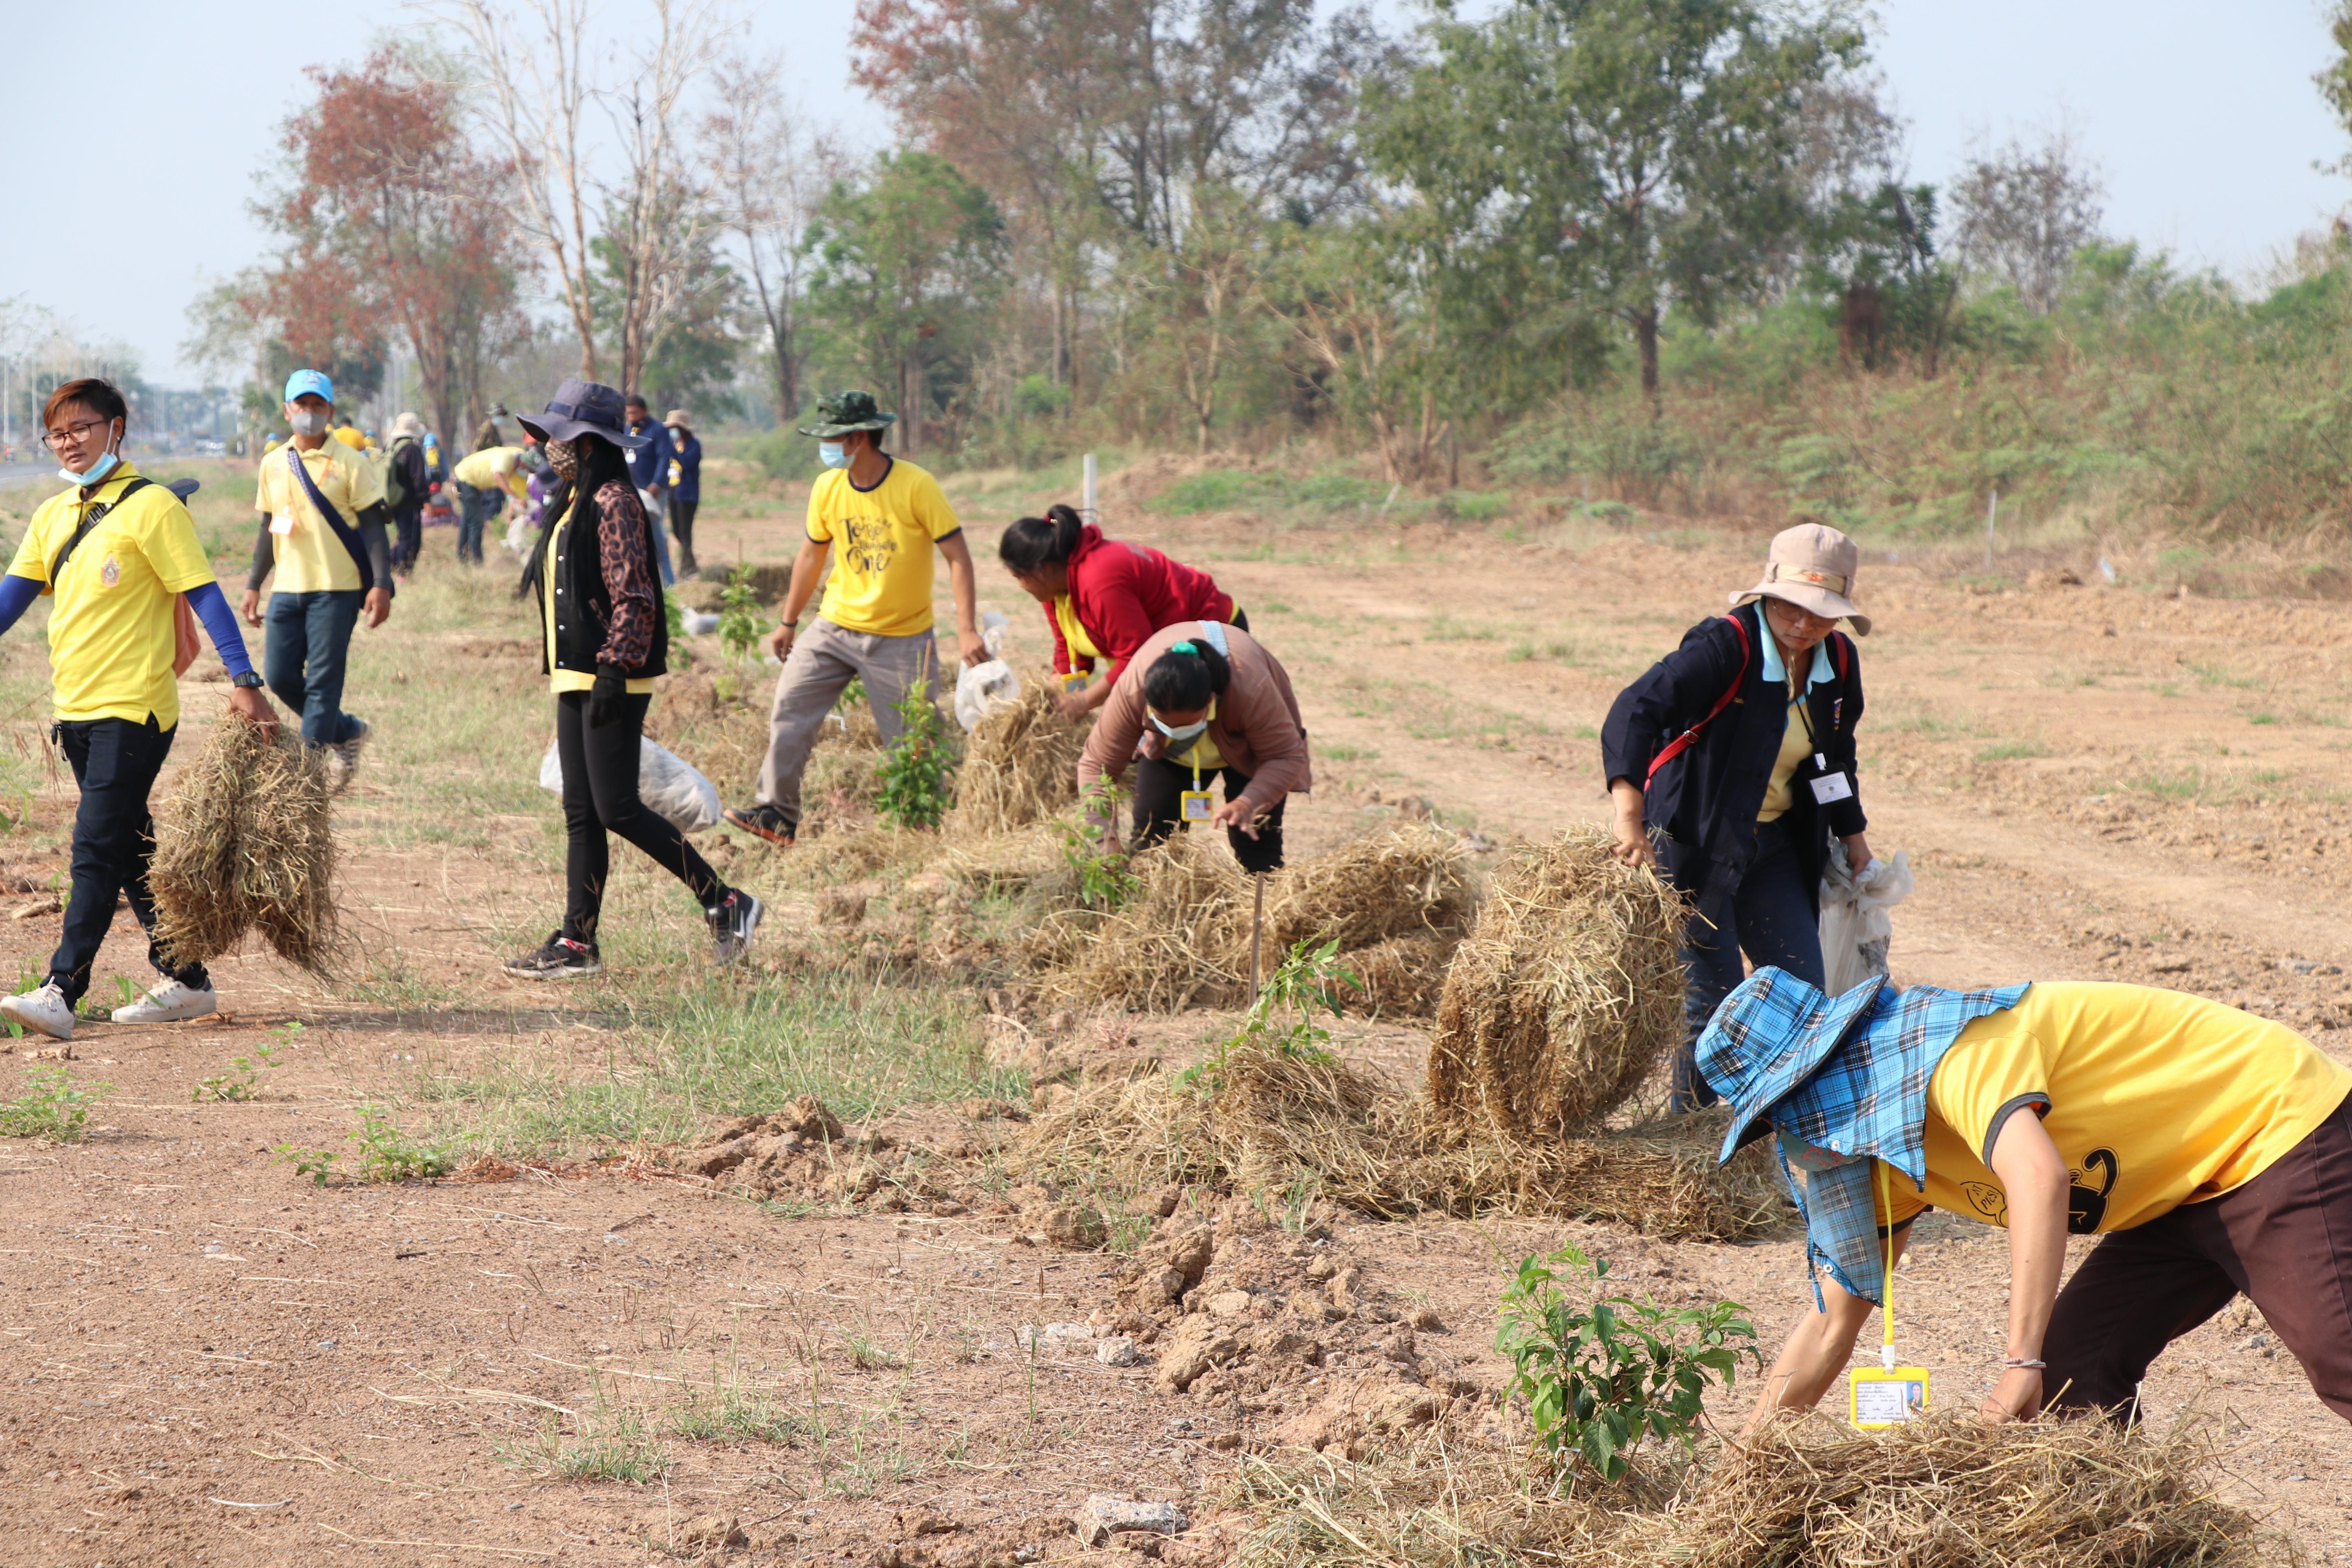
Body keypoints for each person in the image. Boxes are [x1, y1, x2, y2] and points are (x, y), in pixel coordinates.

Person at [1703, 968, 2352, 1429]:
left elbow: (2040, 1178)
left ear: (1834, 1067)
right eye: (1777, 1121)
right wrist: (1744, 1482)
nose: (1795, 1135)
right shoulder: (1879, 1160)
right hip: (2174, 1189)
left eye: (1796, 1107)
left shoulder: (1953, 1051)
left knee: (2339, 1355)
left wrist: (2019, 1361)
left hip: (2270, 1127)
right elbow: (1828, 1327)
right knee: (2077, 1372)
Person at [0, 378, 285, 1039]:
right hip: (74, 710)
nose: (69, 443)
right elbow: (11, 600)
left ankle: (62, 989)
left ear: (116, 429)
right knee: (129, 846)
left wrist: (244, 679)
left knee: (93, 847)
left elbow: (206, 596)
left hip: (136, 709)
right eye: (58, 433)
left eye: (82, 428)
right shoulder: (53, 515)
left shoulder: (154, 508)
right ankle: (186, 977)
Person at [1601, 524, 1873, 1114]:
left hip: (1777, 847)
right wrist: (1629, 816)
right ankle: (1688, 1139)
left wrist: (1854, 837)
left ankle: (1772, 1136)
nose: (1802, 625)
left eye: (1820, 614)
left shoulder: (1838, 666)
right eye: (1790, 608)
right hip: (1695, 842)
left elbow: (1835, 757)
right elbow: (1635, 710)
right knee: (1714, 1002)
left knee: (1802, 998)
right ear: (1767, 594)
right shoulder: (1726, 647)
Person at [509, 378, 762, 977]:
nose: (551, 446)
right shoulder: (575, 498)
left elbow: (637, 597)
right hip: (575, 676)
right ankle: (578, 943)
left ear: (591, 443)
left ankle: (726, 901)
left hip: (608, 676)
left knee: (618, 806)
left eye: (561, 436)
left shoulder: (614, 500)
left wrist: (613, 672)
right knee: (581, 810)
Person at [720, 391, 985, 846]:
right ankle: (777, 813)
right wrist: (788, 620)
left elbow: (958, 556)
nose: (825, 446)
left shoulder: (916, 485)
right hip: (834, 627)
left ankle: (925, 829)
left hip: (901, 637)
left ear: (859, 438)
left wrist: (966, 630)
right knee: (790, 706)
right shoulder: (828, 487)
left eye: (833, 437)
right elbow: (810, 555)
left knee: (915, 741)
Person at [241, 368, 394, 775]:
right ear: (288, 411)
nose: (309, 412)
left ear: (331, 411)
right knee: (278, 675)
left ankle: (303, 777)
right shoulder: (273, 463)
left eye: (317, 405)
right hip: (288, 588)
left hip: (337, 588)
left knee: (324, 684)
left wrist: (381, 584)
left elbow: (375, 527)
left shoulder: (351, 462)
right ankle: (347, 730)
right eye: (302, 405)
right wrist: (255, 584)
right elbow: (267, 528)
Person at [1076, 621, 1310, 873]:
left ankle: (1260, 909)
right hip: (1168, 753)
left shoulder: (1251, 690)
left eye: (1184, 724)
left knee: (1257, 848)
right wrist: (1106, 842)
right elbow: (1097, 767)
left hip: (1251, 752)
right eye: (1164, 722)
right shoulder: (1133, 689)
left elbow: (1285, 756)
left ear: (1210, 700)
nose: (1175, 729)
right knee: (1152, 842)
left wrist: (1248, 802)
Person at [998, 503, 1242, 721]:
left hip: (1215, 635)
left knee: (1222, 739)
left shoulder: (1100, 582)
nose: (1021, 586)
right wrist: (1051, 696)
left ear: (1044, 569)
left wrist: (1084, 702)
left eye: (1020, 577)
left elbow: (1138, 657)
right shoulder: (1055, 586)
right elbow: (1068, 649)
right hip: (1166, 653)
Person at [621, 394, 677, 586]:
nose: (631, 416)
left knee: (657, 535)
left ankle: (668, 581)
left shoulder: (658, 430)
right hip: (633, 491)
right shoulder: (629, 430)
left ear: (644, 411)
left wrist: (657, 484)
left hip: (653, 492)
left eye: (634, 412)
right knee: (636, 537)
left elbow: (664, 457)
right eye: (628, 413)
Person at [451, 445, 528, 565]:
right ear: (522, 460)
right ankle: (477, 561)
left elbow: (514, 494)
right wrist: (516, 498)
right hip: (466, 480)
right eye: (526, 465)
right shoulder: (506, 456)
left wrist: (510, 515)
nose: (526, 469)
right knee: (477, 523)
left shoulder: (515, 470)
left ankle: (463, 558)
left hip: (473, 485)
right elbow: (498, 476)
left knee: (468, 522)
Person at [386, 412, 429, 575]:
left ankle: (393, 563)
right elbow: (418, 478)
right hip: (409, 503)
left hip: (393, 500)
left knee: (402, 536)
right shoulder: (412, 449)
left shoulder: (391, 446)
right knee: (411, 539)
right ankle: (403, 570)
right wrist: (426, 499)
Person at [664, 408, 702, 578]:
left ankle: (686, 567)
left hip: (688, 494)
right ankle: (691, 563)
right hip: (673, 491)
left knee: (685, 531)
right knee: (676, 531)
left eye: (676, 428)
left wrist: (671, 450)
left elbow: (686, 463)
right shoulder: (675, 445)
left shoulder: (694, 445)